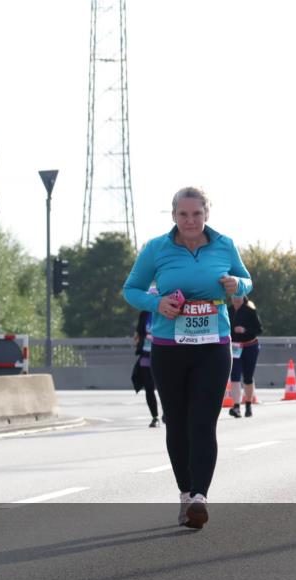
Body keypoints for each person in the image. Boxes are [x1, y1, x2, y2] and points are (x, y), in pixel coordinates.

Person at [123, 186, 252, 529]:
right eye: (184, 214)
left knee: (203, 422)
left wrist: (236, 285)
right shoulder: (156, 248)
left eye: (197, 214)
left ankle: (199, 498)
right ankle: (184, 492)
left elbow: (247, 281)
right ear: (174, 216)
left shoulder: (224, 244)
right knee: (177, 422)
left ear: (207, 214)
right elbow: (131, 289)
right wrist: (157, 304)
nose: (190, 220)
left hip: (213, 346)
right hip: (169, 347)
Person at [227, 296, 263, 418]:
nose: (236, 299)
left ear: (243, 298)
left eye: (239, 297)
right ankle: (236, 406)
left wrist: (245, 330)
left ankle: (248, 404)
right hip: (235, 347)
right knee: (235, 376)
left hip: (250, 346)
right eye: (234, 297)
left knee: (248, 377)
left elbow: (259, 329)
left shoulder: (250, 310)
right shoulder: (228, 310)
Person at [132, 306, 161, 428]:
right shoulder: (145, 313)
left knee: (165, 387)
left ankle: (168, 414)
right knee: (149, 388)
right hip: (146, 355)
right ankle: (155, 417)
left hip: (162, 355)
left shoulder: (165, 310)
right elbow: (140, 331)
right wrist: (141, 337)